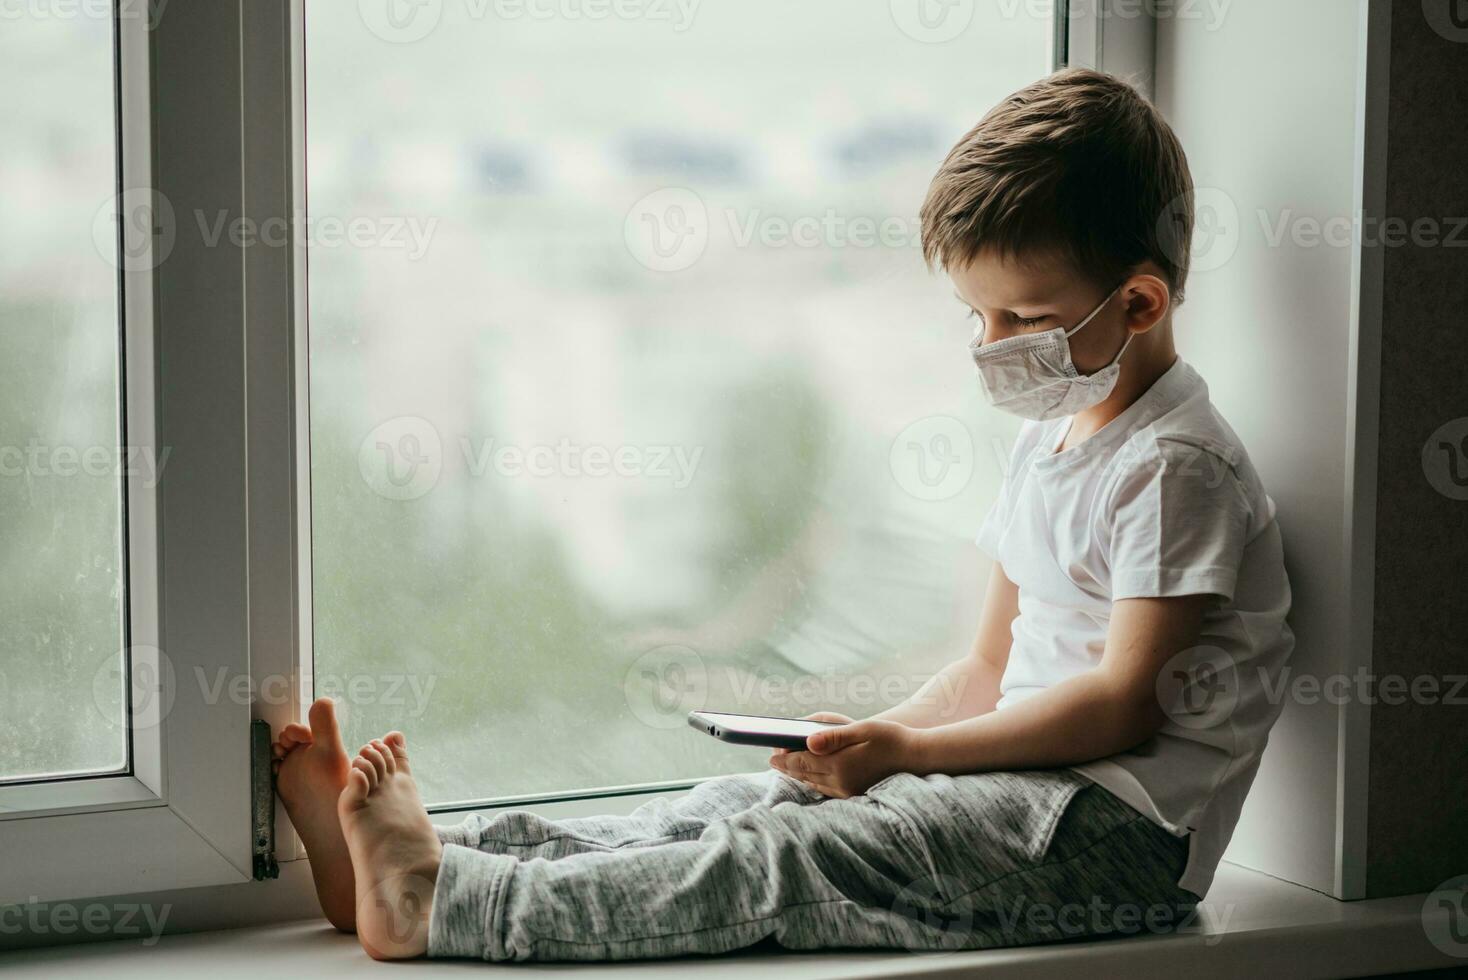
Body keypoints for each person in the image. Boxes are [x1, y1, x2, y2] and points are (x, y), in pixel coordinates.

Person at [272, 67, 1293, 962]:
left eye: (1021, 318)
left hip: (1108, 837)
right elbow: (986, 670)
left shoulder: (1177, 467)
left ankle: (441, 904)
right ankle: (437, 868)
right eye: (975, 315)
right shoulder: (1054, 432)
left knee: (780, 862)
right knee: (752, 804)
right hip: (1022, 794)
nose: (989, 344)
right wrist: (878, 734)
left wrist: (907, 754)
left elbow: (1123, 704)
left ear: (1140, 303)